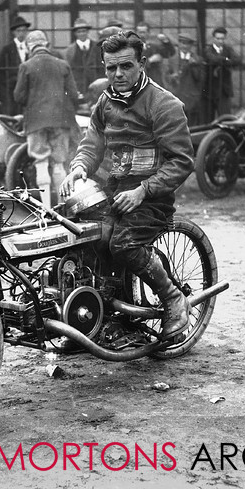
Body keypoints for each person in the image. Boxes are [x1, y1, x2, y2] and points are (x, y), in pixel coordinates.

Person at [59, 30, 195, 342]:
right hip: (112, 192)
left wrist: (143, 191)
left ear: (142, 64)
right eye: (110, 68)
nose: (118, 74)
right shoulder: (105, 102)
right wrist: (79, 168)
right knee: (79, 236)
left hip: (152, 199)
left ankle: (173, 298)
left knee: (122, 243)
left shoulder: (164, 104)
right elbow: (91, 144)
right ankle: (94, 320)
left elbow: (182, 161)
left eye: (126, 66)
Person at [13, 30, 81, 208]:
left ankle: (46, 209)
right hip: (61, 121)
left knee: (41, 162)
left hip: (36, 122)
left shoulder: (26, 66)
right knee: (59, 164)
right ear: (46, 45)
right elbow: (74, 95)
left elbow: (18, 97)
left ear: (29, 47)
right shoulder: (63, 65)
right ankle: (61, 206)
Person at [166, 32, 206, 125]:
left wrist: (194, 66)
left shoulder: (198, 59)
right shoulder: (172, 59)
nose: (184, 46)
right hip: (176, 98)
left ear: (191, 45)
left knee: (191, 126)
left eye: (187, 43)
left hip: (191, 99)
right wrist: (172, 77)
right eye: (182, 43)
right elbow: (166, 76)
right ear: (179, 43)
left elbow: (201, 79)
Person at [203, 26, 241, 118]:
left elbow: (238, 60)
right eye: (218, 38)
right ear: (213, 38)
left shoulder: (228, 49)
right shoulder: (208, 49)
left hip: (224, 90)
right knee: (208, 118)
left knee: (225, 117)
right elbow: (211, 59)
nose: (220, 41)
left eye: (222, 39)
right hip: (210, 90)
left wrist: (222, 61)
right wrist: (226, 59)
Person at [0, 16, 31, 115]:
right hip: (12, 89)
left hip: (28, 89)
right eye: (18, 31)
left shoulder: (30, 48)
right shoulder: (7, 49)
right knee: (14, 114)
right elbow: (1, 71)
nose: (21, 33)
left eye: (24, 31)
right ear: (13, 32)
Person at [64, 18, 104, 96]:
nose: (82, 34)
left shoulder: (97, 47)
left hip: (95, 86)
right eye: (79, 32)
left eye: (84, 31)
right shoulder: (70, 50)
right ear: (75, 33)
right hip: (78, 86)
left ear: (87, 32)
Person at [134, 21, 175, 88]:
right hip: (139, 84)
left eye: (144, 32)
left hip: (155, 83)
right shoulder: (132, 48)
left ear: (148, 33)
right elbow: (134, 66)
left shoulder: (154, 47)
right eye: (139, 32)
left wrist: (166, 41)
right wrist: (150, 60)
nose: (141, 35)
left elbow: (170, 53)